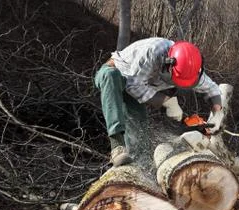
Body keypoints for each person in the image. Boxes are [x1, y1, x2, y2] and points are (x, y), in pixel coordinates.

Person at [94, 37, 224, 167]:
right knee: (111, 77)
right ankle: (117, 146)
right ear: (168, 65)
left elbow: (212, 89)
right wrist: (166, 101)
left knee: (139, 135)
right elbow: (132, 85)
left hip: (139, 85)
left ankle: (138, 169)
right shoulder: (151, 53)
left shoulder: (190, 67)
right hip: (118, 75)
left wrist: (217, 113)